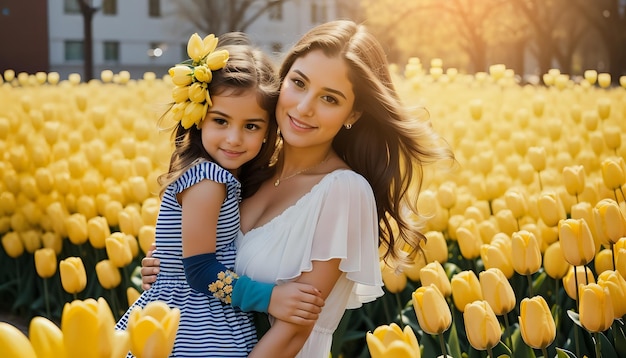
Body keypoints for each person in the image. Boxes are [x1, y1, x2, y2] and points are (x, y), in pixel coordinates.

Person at [142, 20, 454, 357]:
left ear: (354, 113)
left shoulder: (343, 191)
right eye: (299, 83)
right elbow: (203, 263)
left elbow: (294, 331)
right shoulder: (247, 171)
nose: (305, 107)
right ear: (282, 79)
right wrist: (170, 273)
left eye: (330, 99)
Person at [116, 32, 324, 357]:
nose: (234, 138)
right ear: (198, 119)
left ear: (270, 129)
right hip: (193, 327)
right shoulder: (208, 179)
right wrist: (271, 298)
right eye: (221, 121)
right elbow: (200, 271)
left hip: (201, 313)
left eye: (251, 126)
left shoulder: (226, 177)